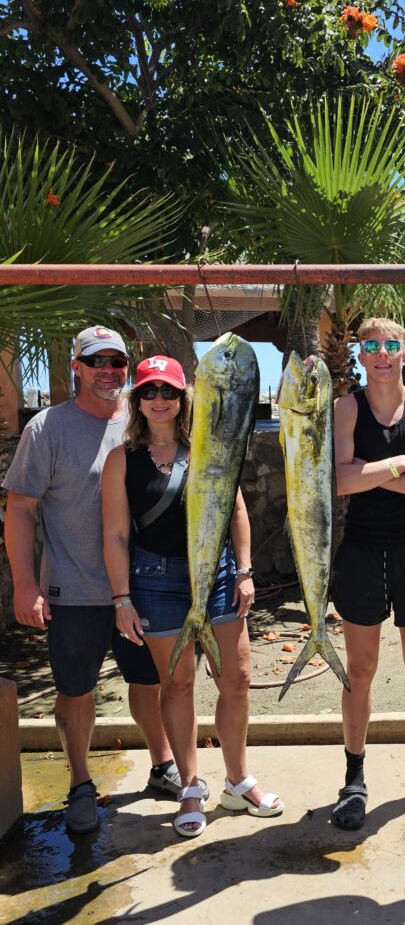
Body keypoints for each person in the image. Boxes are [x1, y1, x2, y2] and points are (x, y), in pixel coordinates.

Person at [3, 326, 178, 836]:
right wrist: (24, 584)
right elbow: (20, 509)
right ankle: (80, 783)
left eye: (117, 361)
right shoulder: (48, 428)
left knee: (148, 682)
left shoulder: (144, 415)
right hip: (73, 589)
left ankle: (162, 764)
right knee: (75, 690)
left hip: (144, 586)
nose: (108, 370)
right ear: (75, 368)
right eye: (96, 361)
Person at [101, 355, 282, 839]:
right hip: (155, 579)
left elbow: (237, 510)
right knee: (176, 684)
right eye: (149, 391)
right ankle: (188, 785)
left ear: (184, 397)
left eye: (169, 391)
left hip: (220, 574)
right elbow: (116, 534)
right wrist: (122, 598)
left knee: (236, 679)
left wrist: (244, 570)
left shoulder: (207, 447)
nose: (159, 400)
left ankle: (238, 780)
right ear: (136, 400)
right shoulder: (123, 460)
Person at [331, 317, 405, 830]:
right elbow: (339, 482)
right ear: (360, 355)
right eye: (371, 346)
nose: (381, 354)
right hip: (361, 552)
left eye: (391, 346)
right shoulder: (345, 408)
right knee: (358, 671)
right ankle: (353, 780)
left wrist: (376, 473)